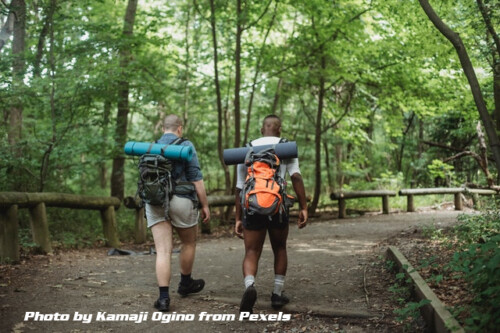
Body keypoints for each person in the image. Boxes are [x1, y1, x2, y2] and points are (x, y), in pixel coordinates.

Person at [234, 114, 308, 314]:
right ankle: (277, 294)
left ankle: (250, 287)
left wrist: (238, 218)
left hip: (251, 206)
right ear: (279, 129)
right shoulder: (286, 147)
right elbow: (296, 177)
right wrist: (303, 207)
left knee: (251, 251)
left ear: (262, 129)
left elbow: (240, 186)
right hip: (278, 207)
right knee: (280, 248)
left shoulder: (247, 149)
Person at [145, 114, 210, 312]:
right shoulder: (185, 145)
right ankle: (185, 283)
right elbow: (196, 178)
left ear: (163, 128)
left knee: (163, 250)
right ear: (179, 128)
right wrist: (205, 205)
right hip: (181, 200)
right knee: (188, 242)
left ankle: (164, 298)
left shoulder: (152, 147)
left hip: (155, 200)